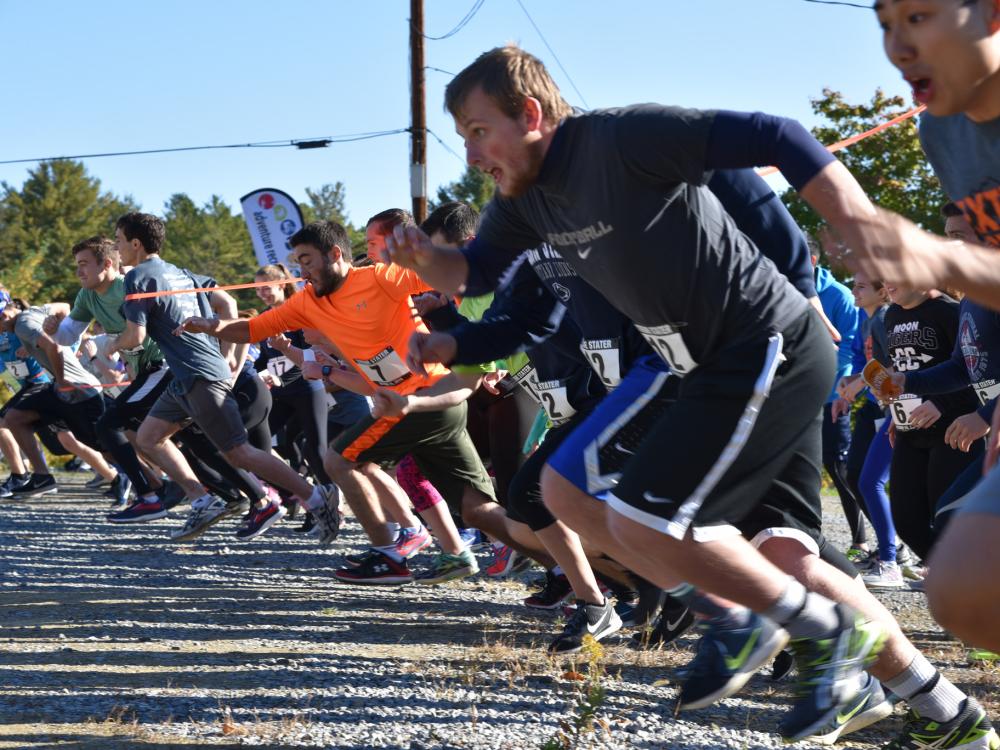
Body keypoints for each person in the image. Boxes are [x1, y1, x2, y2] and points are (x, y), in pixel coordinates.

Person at [382, 44, 994, 745]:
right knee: (751, 549)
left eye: (477, 131)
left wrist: (859, 227)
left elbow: (775, 139)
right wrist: (428, 284)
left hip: (762, 346)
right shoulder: (526, 203)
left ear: (530, 114)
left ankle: (785, 633)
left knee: (634, 513)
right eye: (461, 139)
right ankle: (945, 712)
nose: (471, 154)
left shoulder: (623, 138)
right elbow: (479, 276)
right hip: (706, 370)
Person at [177, 220, 508, 585]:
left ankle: (388, 555)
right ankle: (489, 555)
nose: (303, 271)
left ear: (335, 254)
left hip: (427, 395)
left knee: (340, 458)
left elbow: (446, 278)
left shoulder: (381, 278)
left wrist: (473, 323)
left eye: (308, 260)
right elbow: (255, 329)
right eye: (298, 262)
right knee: (476, 507)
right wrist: (210, 326)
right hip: (417, 403)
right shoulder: (306, 302)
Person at [108, 212, 337, 539]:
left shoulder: (139, 276)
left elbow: (135, 337)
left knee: (239, 452)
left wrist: (112, 344)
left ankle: (316, 498)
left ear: (135, 243)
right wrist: (229, 354)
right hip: (185, 378)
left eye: (118, 241)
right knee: (148, 437)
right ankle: (202, 500)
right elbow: (226, 300)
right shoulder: (180, 272)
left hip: (201, 375)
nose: (117, 248)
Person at [812, 251, 867, 560]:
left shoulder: (839, 295)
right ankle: (809, 538)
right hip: (798, 396)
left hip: (833, 396)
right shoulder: (786, 288)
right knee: (803, 470)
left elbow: (849, 348)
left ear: (813, 260)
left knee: (840, 468)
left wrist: (841, 392)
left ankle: (861, 542)